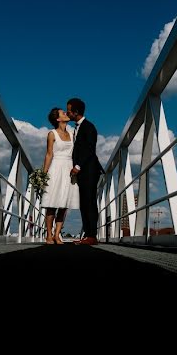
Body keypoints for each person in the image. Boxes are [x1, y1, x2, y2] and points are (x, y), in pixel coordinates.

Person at [67, 97, 103, 245]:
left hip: (89, 170)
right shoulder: (78, 127)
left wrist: (78, 166)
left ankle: (92, 236)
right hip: (83, 172)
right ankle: (88, 235)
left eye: (69, 111)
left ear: (76, 112)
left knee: (89, 202)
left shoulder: (89, 127)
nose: (68, 113)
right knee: (84, 203)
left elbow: (89, 149)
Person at [41, 107, 79, 244]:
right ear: (58, 119)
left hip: (69, 168)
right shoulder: (52, 134)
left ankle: (57, 234)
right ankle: (49, 235)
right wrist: (43, 175)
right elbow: (49, 154)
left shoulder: (72, 132)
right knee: (52, 204)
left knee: (64, 205)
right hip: (56, 169)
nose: (66, 113)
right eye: (63, 113)